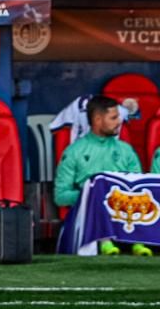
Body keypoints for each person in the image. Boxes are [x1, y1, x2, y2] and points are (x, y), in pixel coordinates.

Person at [54, 95, 144, 255]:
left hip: (123, 209)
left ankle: (139, 244)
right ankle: (105, 243)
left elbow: (139, 185)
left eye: (119, 117)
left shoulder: (126, 150)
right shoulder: (74, 152)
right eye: (113, 118)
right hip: (86, 214)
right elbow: (60, 196)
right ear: (97, 120)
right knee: (97, 191)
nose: (119, 122)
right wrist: (88, 194)